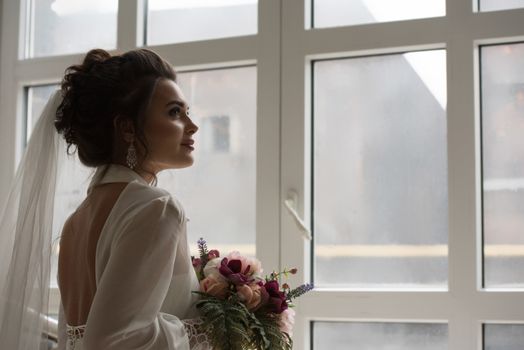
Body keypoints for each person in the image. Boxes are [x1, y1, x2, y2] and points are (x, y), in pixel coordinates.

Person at [0, 48, 211, 350]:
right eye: (174, 112)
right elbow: (115, 340)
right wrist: (214, 329)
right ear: (127, 127)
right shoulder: (157, 208)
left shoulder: (77, 222)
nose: (192, 126)